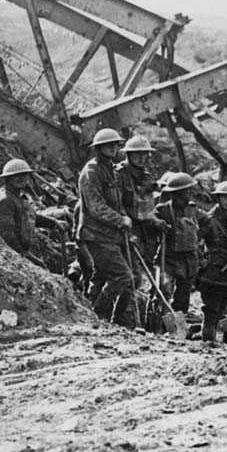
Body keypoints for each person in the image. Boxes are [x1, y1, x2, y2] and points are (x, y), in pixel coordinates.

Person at [76, 127, 136, 328]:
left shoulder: (112, 169)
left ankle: (105, 319)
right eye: (108, 145)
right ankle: (99, 315)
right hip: (96, 234)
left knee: (102, 277)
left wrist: (125, 219)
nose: (113, 148)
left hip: (112, 235)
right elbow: (96, 207)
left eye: (116, 144)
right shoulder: (91, 171)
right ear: (98, 148)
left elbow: (117, 204)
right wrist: (120, 220)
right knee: (122, 276)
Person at [0, 158, 66, 265]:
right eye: (16, 176)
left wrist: (53, 223)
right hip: (5, 257)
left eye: (24, 175)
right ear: (7, 179)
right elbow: (6, 236)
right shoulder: (5, 201)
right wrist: (25, 256)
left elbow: (29, 217)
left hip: (17, 252)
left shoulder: (17, 196)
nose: (21, 178)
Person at [197, 181, 227, 342]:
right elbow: (194, 241)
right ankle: (207, 344)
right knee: (211, 310)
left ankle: (224, 346)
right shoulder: (209, 219)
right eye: (225, 197)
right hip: (213, 272)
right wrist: (201, 261)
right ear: (218, 198)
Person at [116, 135, 168, 271]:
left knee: (149, 264)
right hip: (128, 226)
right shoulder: (119, 174)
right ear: (128, 154)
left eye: (144, 154)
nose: (142, 157)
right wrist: (126, 230)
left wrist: (155, 220)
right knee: (133, 269)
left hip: (147, 227)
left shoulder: (147, 175)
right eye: (137, 153)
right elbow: (115, 204)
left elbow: (148, 205)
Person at [155, 172, 201, 313]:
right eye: (186, 190)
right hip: (168, 259)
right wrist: (157, 223)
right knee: (163, 290)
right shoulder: (163, 210)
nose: (190, 193)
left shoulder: (193, 210)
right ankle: (157, 324)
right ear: (177, 193)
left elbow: (208, 223)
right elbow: (150, 221)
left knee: (183, 296)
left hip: (188, 261)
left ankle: (178, 326)